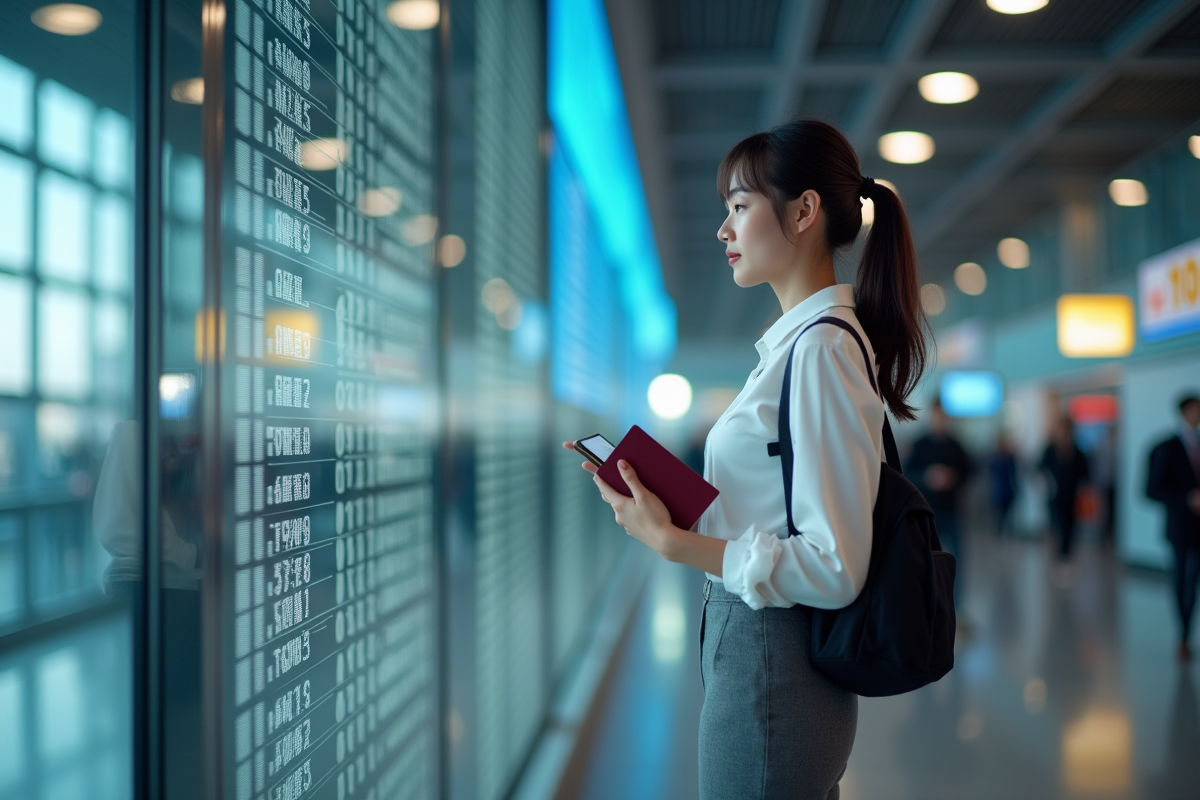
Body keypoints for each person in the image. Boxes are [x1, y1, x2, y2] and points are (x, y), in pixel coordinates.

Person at [565, 120, 927, 799]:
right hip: (764, 665)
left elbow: (834, 568)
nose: (723, 231)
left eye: (738, 206)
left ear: (803, 211)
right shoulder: (802, 349)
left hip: (773, 671)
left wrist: (675, 544)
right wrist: (679, 517)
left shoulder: (819, 352)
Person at [1146, 393, 1200, 662]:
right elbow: (1151, 489)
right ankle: (1183, 633)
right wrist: (1186, 498)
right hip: (1180, 524)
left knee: (1195, 579)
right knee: (1181, 578)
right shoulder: (1165, 447)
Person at [906, 400, 972, 607]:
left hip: (951, 511)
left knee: (955, 561)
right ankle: (928, 606)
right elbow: (907, 474)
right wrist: (928, 477)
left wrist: (954, 477)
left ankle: (956, 608)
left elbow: (969, 471)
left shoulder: (955, 445)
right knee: (926, 562)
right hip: (927, 514)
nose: (939, 420)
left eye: (943, 416)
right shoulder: (920, 445)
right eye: (936, 416)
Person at [1039, 416, 1090, 570]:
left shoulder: (1077, 451)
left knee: (1069, 527)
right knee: (1057, 525)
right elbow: (1041, 468)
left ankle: (1065, 557)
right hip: (1054, 495)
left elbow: (1085, 473)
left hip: (1071, 495)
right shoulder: (1050, 449)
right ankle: (1058, 556)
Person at [987, 434, 1019, 536]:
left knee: (1006, 514)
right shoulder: (996, 459)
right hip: (999, 491)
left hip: (1008, 490)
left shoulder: (1010, 458)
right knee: (1000, 515)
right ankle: (1000, 531)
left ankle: (1004, 531)